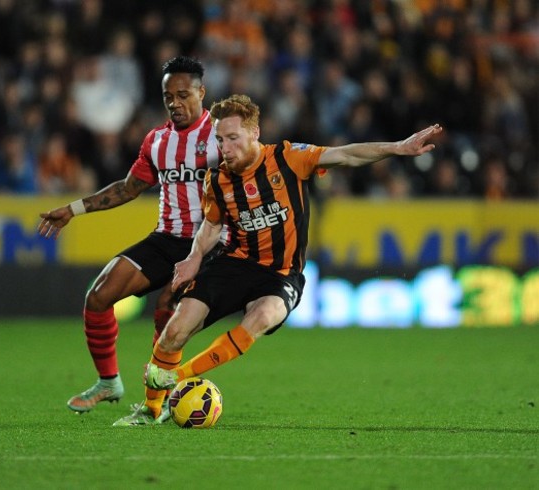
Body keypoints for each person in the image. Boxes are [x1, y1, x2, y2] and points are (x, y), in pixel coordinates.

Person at [113, 94, 443, 425]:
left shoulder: (288, 157)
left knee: (265, 314)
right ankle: (150, 409)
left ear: (254, 132)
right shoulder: (217, 179)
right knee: (175, 330)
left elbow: (346, 154)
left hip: (282, 274)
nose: (224, 148)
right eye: (219, 140)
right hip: (235, 263)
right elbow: (211, 225)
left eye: (232, 138)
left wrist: (398, 147)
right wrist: (195, 257)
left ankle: (178, 378)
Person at [37, 56, 222, 421]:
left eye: (183, 95)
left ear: (201, 93)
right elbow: (127, 188)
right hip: (166, 237)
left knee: (168, 306)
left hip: (209, 243)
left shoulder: (221, 136)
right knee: (99, 295)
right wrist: (73, 210)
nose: (175, 103)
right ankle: (108, 382)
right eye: (168, 96)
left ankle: (161, 400)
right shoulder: (157, 140)